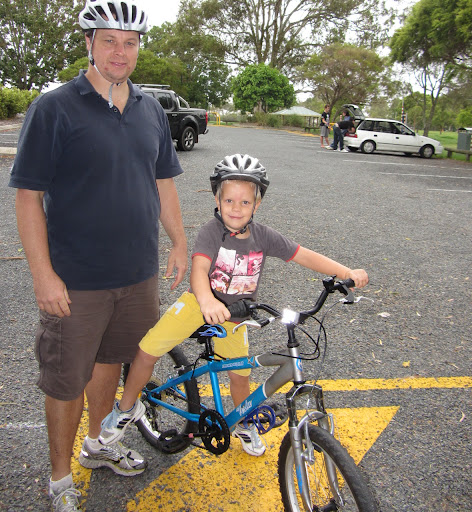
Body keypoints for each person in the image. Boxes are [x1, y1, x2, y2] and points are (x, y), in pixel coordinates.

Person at [9, 0, 188, 512]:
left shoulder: (150, 109)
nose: (119, 52)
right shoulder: (54, 108)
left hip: (136, 273)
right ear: (89, 42)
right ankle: (60, 479)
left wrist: (178, 241)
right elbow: (27, 197)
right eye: (109, 40)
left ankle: (97, 446)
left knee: (112, 362)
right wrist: (43, 276)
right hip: (76, 278)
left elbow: (163, 183)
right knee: (66, 378)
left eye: (129, 43)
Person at [98, 154, 369, 461]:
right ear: (217, 200)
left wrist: (345, 272)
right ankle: (126, 408)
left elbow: (302, 254)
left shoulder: (263, 236)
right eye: (228, 201)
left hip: (237, 315)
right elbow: (200, 270)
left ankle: (243, 423)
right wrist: (206, 300)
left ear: (257, 205)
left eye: (244, 202)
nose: (236, 208)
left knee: (240, 376)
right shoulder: (211, 233)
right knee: (147, 350)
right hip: (198, 304)